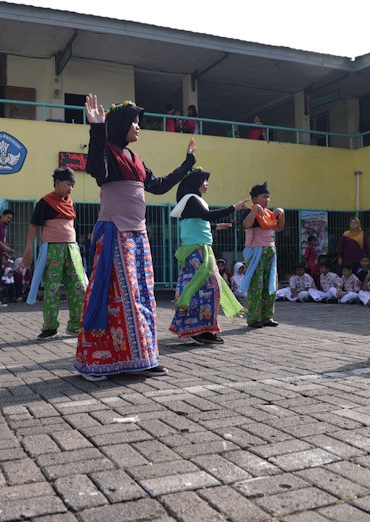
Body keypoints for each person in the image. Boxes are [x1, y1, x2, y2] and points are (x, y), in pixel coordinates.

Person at [75, 94, 196, 381]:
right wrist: (96, 128)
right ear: (120, 125)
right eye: (135, 122)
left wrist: (188, 163)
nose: (139, 127)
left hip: (138, 238)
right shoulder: (107, 153)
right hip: (115, 233)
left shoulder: (134, 159)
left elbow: (160, 185)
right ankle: (97, 362)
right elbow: (94, 168)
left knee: (142, 298)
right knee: (117, 299)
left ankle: (141, 357)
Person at [168, 168, 247, 344]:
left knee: (202, 288)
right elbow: (206, 216)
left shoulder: (192, 201)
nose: (207, 184)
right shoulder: (192, 199)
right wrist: (234, 208)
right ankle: (198, 330)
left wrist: (216, 227)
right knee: (209, 288)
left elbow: (196, 223)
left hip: (197, 250)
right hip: (199, 253)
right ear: (196, 182)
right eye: (204, 180)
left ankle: (202, 329)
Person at [23, 167, 88, 339]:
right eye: (68, 184)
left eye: (73, 184)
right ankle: (50, 327)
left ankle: (76, 325)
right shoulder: (44, 202)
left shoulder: (70, 202)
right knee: (52, 288)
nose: (71, 188)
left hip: (72, 249)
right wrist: (29, 248)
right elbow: (33, 226)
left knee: (79, 287)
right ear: (57, 183)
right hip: (52, 250)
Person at [239, 182, 285, 328]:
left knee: (270, 284)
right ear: (254, 198)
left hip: (270, 251)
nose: (267, 200)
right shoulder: (249, 211)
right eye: (264, 197)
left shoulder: (269, 213)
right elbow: (246, 225)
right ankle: (254, 318)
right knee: (256, 286)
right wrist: (256, 210)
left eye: (268, 197)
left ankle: (267, 317)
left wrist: (281, 213)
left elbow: (279, 228)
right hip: (256, 251)